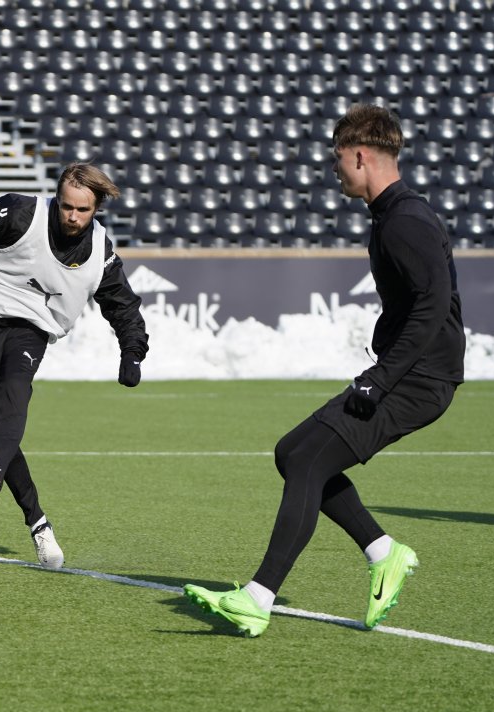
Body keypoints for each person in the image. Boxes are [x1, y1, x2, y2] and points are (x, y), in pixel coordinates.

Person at [183, 104, 465, 636]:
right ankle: (385, 552)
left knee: (308, 459)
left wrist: (381, 377)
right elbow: (419, 301)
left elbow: (434, 304)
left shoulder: (405, 220)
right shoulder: (393, 216)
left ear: (361, 155)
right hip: (410, 372)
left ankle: (258, 597)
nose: (334, 169)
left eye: (338, 158)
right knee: (293, 453)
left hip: (419, 381)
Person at [0, 163, 150, 569]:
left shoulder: (100, 253)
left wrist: (132, 351)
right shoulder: (19, 213)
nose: (73, 216)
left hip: (32, 327)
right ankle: (37, 522)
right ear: (57, 198)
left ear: (97, 208)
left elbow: (123, 304)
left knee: (16, 390)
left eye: (83, 210)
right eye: (67, 206)